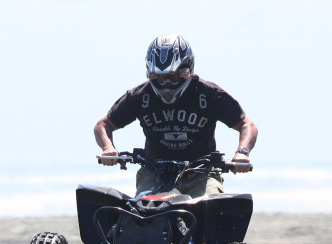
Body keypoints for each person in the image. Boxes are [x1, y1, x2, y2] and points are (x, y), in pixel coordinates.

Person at [94, 34, 257, 198]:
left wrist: (242, 152)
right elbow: (104, 125)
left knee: (213, 206)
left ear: (187, 71)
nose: (167, 85)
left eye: (173, 77)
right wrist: (108, 148)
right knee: (143, 209)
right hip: (154, 173)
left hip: (202, 174)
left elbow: (246, 125)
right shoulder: (139, 96)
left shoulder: (209, 94)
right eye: (160, 78)